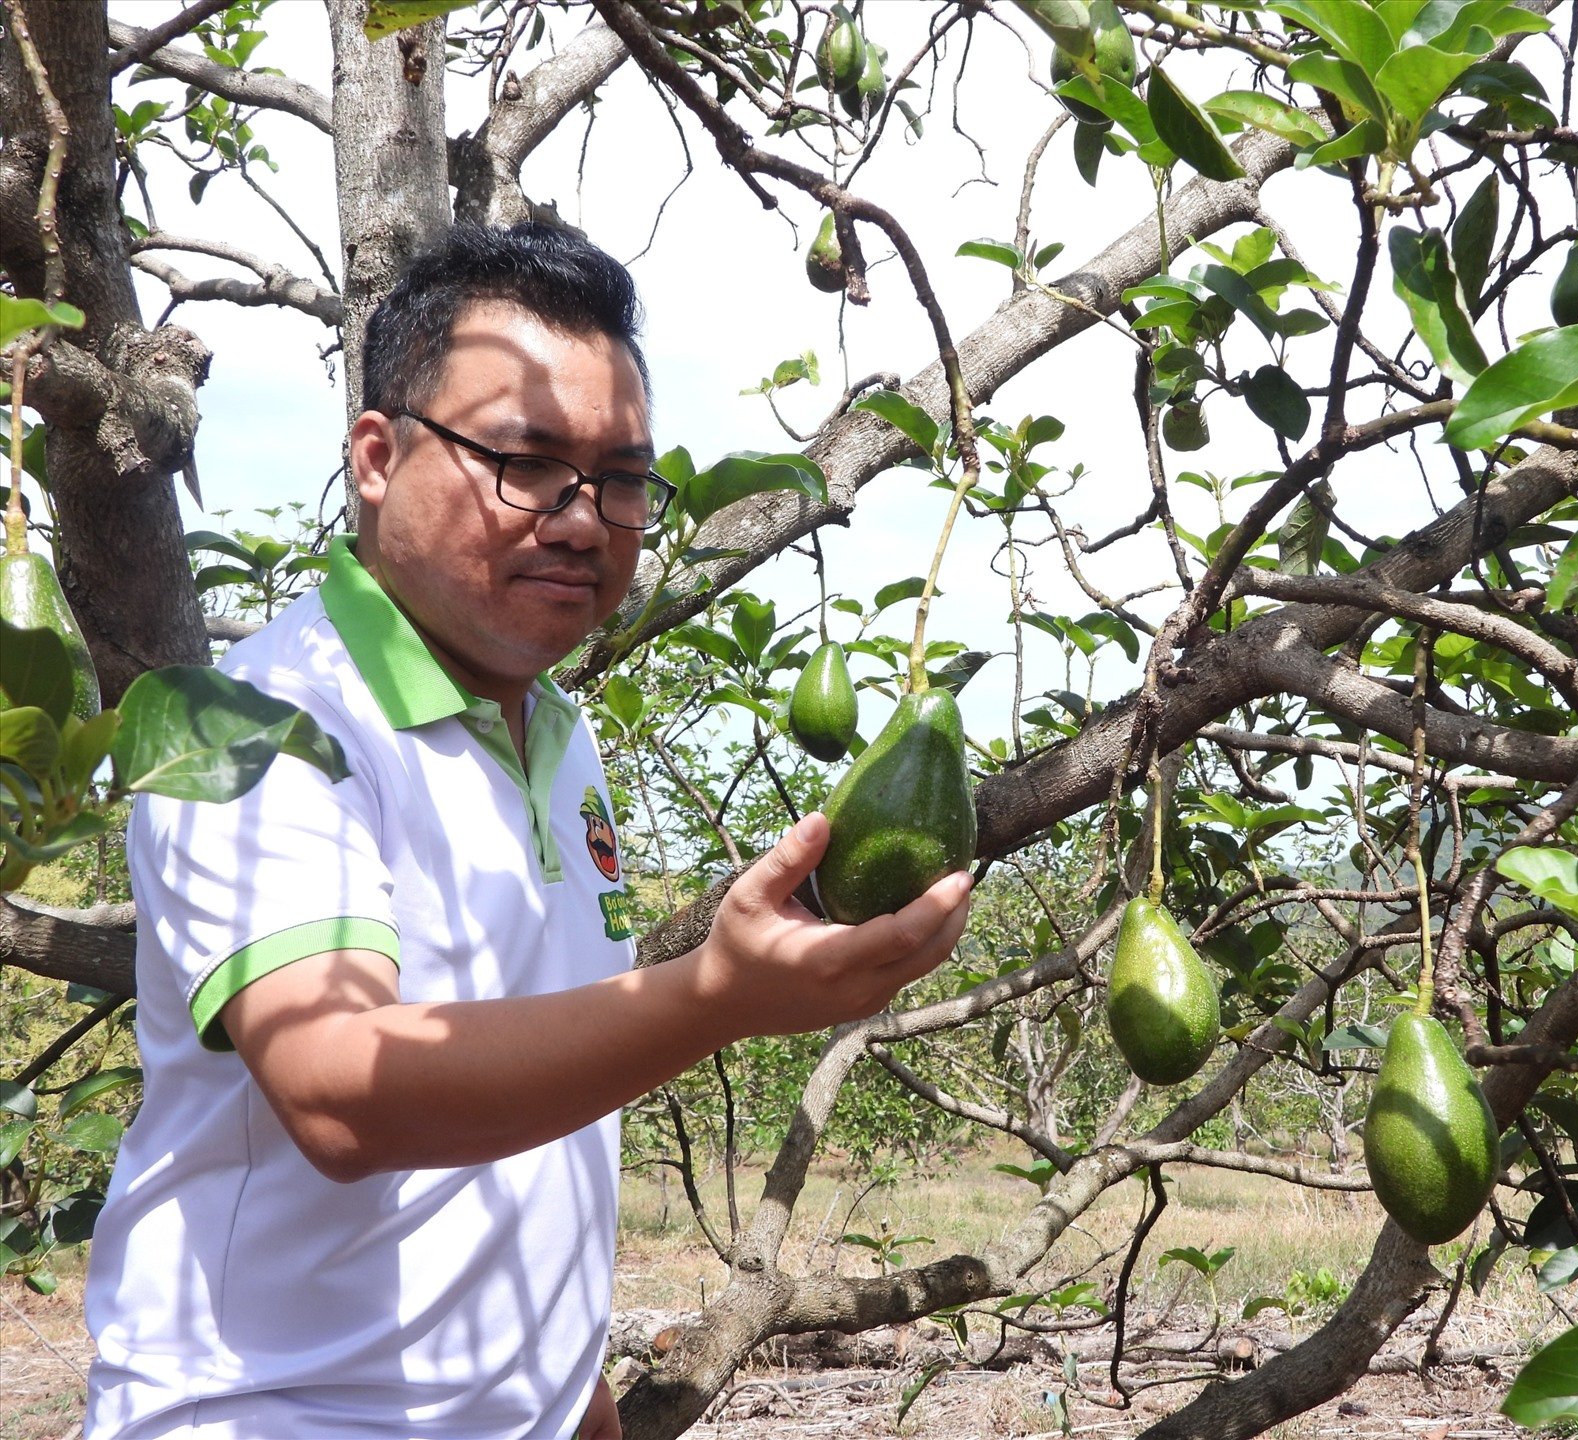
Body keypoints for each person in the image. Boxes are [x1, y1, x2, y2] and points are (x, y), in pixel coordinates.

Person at [83, 223, 973, 1440]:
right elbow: (345, 1093)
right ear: (378, 457)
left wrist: (577, 1403)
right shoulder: (249, 724)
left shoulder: (555, 733)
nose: (580, 518)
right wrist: (715, 992)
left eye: (620, 478)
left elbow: (515, 1166)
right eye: (523, 460)